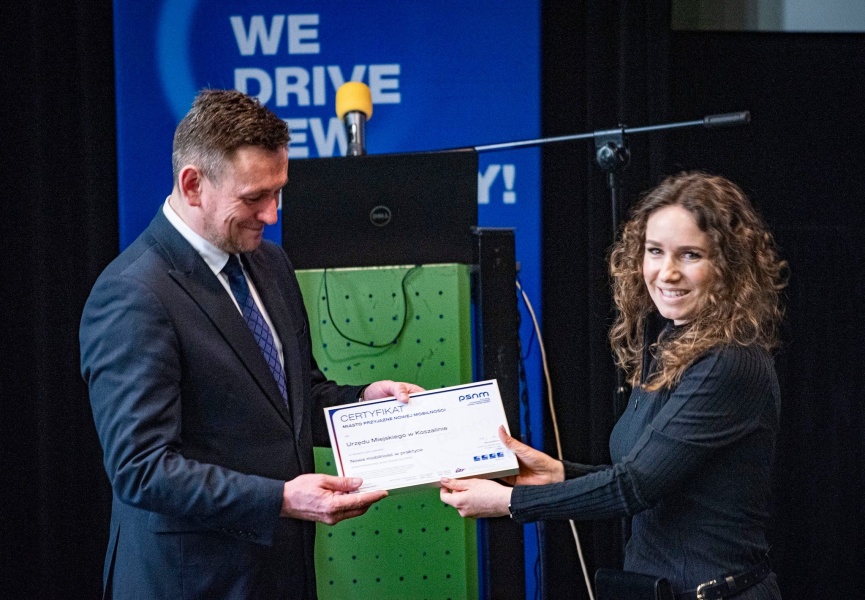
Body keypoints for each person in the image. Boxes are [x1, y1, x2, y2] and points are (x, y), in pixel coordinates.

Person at [80, 89, 423, 599]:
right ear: (193, 185)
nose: (272, 214)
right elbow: (142, 469)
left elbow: (291, 400)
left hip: (281, 574)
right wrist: (281, 499)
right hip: (192, 582)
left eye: (278, 192)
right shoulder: (133, 294)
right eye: (253, 197)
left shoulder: (271, 264)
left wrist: (363, 403)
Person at [440, 172, 786, 599]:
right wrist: (558, 475)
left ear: (728, 264)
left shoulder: (729, 361)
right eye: (655, 251)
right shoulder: (672, 342)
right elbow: (653, 476)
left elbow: (634, 487)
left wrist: (508, 502)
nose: (667, 272)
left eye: (690, 255)